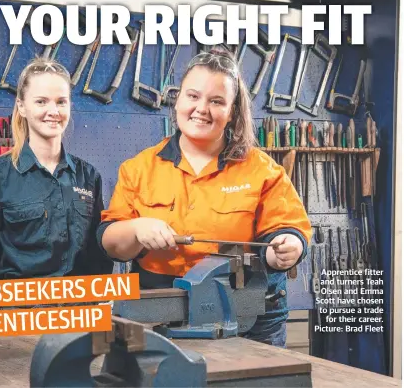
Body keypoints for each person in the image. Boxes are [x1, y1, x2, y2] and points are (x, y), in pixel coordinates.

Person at [97, 48, 312, 348]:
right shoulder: (138, 169)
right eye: (193, 96)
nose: (202, 109)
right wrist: (136, 229)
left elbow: (289, 229)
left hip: (246, 317)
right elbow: (112, 245)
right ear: (178, 99)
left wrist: (287, 249)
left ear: (233, 111)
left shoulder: (262, 170)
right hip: (160, 313)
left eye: (216, 101)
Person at [0, 57, 114, 283]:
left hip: (78, 313)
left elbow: (99, 260)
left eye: (61, 102)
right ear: (22, 106)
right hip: (18, 315)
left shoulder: (88, 177)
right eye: (41, 102)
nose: (53, 111)